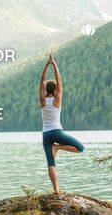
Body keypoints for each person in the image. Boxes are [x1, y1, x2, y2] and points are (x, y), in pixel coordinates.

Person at [39, 52, 84, 194]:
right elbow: (60, 83)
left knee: (50, 163)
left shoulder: (43, 101)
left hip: (46, 134)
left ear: (46, 90)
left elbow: (41, 82)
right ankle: (57, 148)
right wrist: (55, 65)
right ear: (56, 89)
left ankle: (56, 190)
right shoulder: (57, 99)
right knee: (80, 148)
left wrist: (47, 65)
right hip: (57, 132)